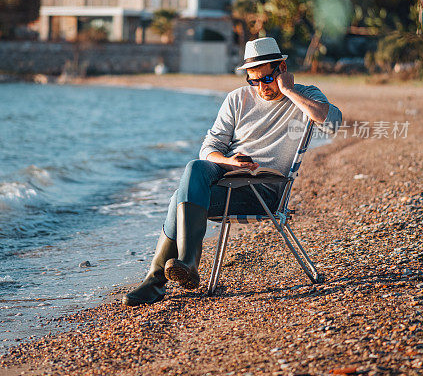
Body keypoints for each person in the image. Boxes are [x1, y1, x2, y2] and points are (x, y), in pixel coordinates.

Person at [123, 37, 342, 307]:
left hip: (263, 191)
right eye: (254, 80)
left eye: (267, 78)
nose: (261, 87)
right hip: (228, 182)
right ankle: (187, 264)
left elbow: (332, 122)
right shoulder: (237, 99)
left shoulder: (305, 96)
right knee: (196, 167)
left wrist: (288, 91)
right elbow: (209, 148)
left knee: (178, 198)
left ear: (282, 69)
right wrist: (230, 163)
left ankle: (156, 282)